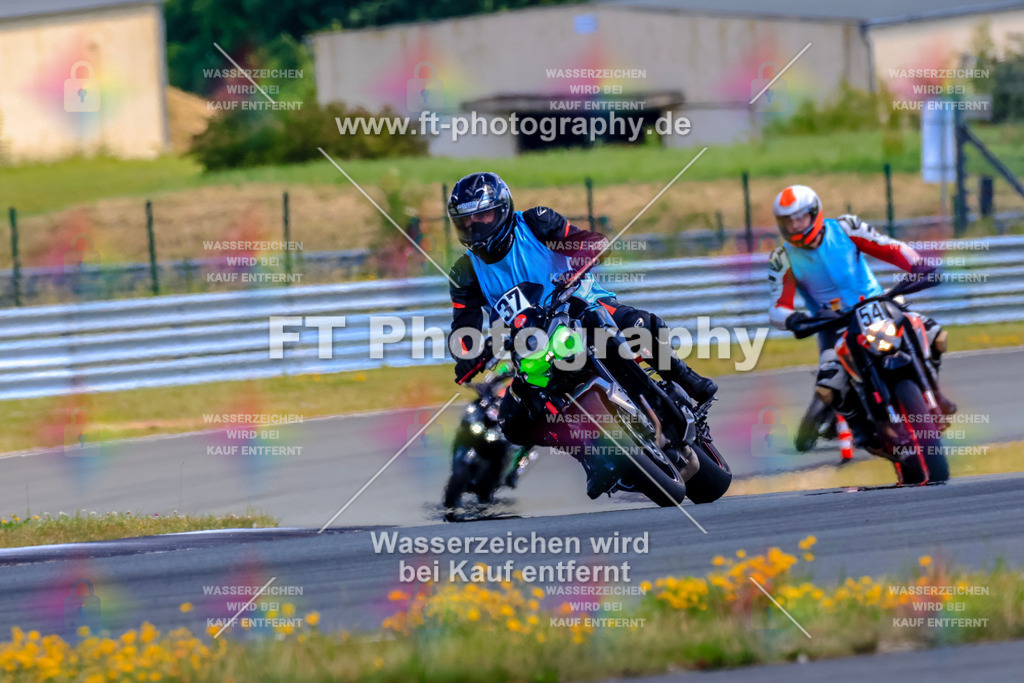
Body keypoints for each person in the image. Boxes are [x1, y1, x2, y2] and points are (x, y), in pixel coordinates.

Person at [446, 171, 716, 496]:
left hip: (579, 303)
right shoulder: (464, 272)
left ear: (502, 209)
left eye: (482, 216)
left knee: (640, 326)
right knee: (515, 419)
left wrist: (582, 259)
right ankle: (591, 457)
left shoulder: (535, 222)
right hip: (530, 343)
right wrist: (468, 355)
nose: (475, 226)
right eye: (466, 221)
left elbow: (585, 240)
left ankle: (688, 380)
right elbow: (464, 328)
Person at [766, 184, 956, 450]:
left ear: (814, 213)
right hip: (833, 325)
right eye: (789, 221)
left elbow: (889, 247)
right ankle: (859, 428)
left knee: (934, 334)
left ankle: (934, 394)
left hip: (880, 306)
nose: (796, 226)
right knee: (828, 386)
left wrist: (917, 265)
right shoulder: (781, 258)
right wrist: (793, 319)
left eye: (801, 218)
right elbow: (777, 306)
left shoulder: (846, 228)